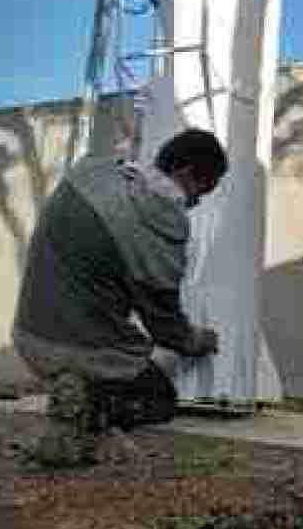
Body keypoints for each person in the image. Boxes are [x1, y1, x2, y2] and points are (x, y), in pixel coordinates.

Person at [13, 128, 227, 467]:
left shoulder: (91, 173)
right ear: (185, 174)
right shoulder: (159, 227)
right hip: (82, 348)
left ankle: (75, 393)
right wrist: (198, 340)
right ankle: (90, 407)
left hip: (28, 334)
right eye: (200, 193)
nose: (194, 204)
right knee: (159, 399)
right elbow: (165, 328)